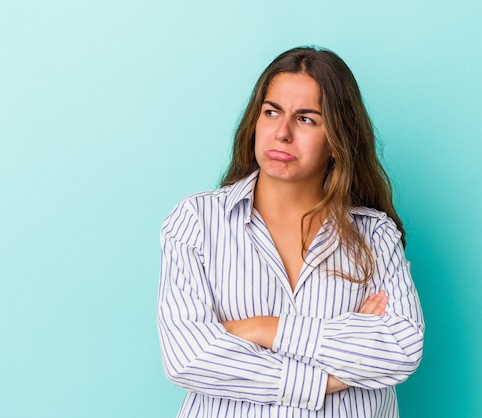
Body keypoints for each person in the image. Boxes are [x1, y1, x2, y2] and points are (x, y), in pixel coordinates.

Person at [157, 46, 424, 418]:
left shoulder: (374, 235)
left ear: (337, 140)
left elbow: (400, 349)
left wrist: (264, 329)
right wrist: (329, 375)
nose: (282, 133)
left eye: (306, 119)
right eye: (272, 112)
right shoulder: (197, 222)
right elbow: (188, 357)